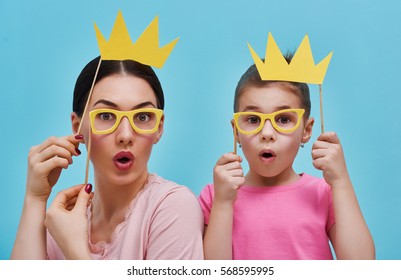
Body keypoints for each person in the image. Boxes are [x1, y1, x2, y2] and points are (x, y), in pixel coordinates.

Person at [11, 57, 204, 260]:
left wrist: (75, 251)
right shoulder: (62, 220)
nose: (126, 136)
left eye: (142, 117)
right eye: (106, 116)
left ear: (159, 127)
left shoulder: (173, 207)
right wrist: (35, 199)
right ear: (77, 127)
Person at [199, 54, 375, 260]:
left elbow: (362, 265)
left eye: (283, 119)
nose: (267, 133)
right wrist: (223, 203)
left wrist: (341, 180)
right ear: (236, 131)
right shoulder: (216, 196)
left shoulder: (324, 193)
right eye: (253, 119)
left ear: (307, 130)